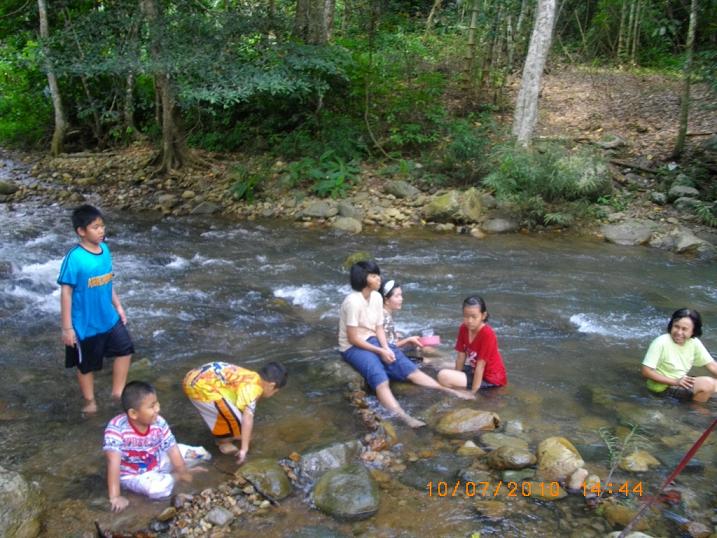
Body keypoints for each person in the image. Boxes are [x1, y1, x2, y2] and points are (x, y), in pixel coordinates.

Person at [339, 261, 474, 429]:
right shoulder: (353, 302)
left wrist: (386, 348)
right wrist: (380, 350)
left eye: (378, 275)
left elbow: (378, 327)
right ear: (362, 279)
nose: (378, 278)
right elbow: (352, 338)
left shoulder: (376, 297)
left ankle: (450, 390)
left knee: (409, 369)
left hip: (373, 339)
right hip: (353, 347)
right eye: (373, 276)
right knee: (380, 378)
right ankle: (404, 417)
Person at [57, 204, 133, 414]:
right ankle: (89, 401)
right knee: (86, 365)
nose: (101, 231)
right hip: (85, 324)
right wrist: (67, 328)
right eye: (95, 227)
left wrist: (118, 306)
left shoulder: (105, 250)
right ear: (81, 231)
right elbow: (66, 293)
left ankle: (117, 393)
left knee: (125, 349)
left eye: (102, 226)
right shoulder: (74, 258)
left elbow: (107, 281)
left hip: (108, 317)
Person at [103, 381, 209, 512]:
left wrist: (183, 471)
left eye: (157, 403)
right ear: (133, 414)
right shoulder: (116, 429)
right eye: (152, 406)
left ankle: (173, 474)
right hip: (135, 475)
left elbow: (172, 448)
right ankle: (174, 477)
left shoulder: (158, 421)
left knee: (202, 454)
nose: (157, 409)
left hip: (158, 460)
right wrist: (115, 496)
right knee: (158, 490)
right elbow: (113, 462)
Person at [183, 361, 287, 464]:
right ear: (271, 385)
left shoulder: (250, 376)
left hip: (193, 377)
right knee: (240, 425)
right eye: (275, 391)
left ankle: (224, 435)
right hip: (200, 388)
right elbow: (248, 417)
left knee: (230, 415)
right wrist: (245, 448)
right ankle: (223, 443)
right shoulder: (254, 388)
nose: (273, 394)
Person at [641, 308, 717, 402]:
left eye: (684, 329)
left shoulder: (694, 343)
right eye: (676, 327)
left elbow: (712, 365)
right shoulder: (661, 342)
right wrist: (676, 382)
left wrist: (679, 382)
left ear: (693, 331)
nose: (679, 332)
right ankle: (696, 408)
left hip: (680, 383)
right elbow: (646, 371)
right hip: (661, 389)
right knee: (707, 384)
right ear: (671, 325)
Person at [437, 295, 507, 393]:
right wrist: (456, 376)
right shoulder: (464, 328)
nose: (469, 321)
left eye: (474, 317)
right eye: (466, 316)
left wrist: (473, 393)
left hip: (491, 379)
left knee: (443, 376)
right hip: (474, 369)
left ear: (483, 316)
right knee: (442, 364)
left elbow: (480, 366)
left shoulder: (487, 334)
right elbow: (460, 357)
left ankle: (463, 393)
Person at [380, 279, 424, 361]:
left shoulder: (383, 313)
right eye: (397, 296)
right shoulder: (385, 317)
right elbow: (389, 346)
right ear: (386, 300)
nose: (401, 299)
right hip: (392, 356)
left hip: (393, 352)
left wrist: (395, 335)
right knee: (425, 349)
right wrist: (408, 340)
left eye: (401, 295)